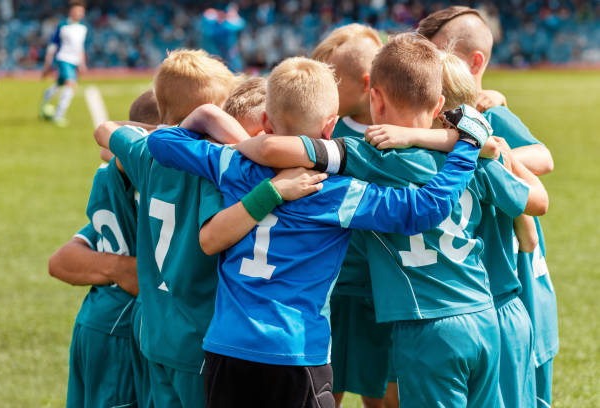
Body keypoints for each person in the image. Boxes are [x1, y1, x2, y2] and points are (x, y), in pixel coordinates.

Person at [146, 56, 487, 408]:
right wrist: (467, 146)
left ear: (265, 121)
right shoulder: (336, 192)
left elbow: (161, 142)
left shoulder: (230, 164)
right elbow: (423, 210)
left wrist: (230, 141)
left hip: (227, 348)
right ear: (331, 128)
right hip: (294, 352)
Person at [231, 34, 547, 408]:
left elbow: (280, 149)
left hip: (426, 323)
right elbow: (535, 201)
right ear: (439, 105)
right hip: (483, 315)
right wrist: (465, 141)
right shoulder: (474, 154)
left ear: (374, 99)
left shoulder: (371, 158)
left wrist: (229, 148)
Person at [93, 49, 324, 408]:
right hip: (197, 338)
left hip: (154, 332)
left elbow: (105, 130)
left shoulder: (146, 154)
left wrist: (165, 130)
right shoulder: (211, 170)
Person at [418, 8, 557, 407]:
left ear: (474, 61)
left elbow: (544, 159)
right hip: (476, 285)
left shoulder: (490, 116)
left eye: (435, 55)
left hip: (509, 276)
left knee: (518, 375)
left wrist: (481, 149)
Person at [48, 91, 160, 407]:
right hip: (122, 325)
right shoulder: (146, 186)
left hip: (102, 319)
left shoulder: (116, 179)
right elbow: (61, 261)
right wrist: (122, 268)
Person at [312, 23, 390, 408]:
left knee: (387, 396)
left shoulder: (404, 132)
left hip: (387, 290)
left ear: (366, 83)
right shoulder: (323, 135)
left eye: (331, 80)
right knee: (327, 391)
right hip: (334, 289)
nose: (321, 92)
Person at [40, 0, 87, 127]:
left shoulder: (83, 28)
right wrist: (47, 64)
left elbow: (80, 47)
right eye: (77, 10)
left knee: (59, 84)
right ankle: (58, 115)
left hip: (74, 61)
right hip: (63, 59)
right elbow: (53, 45)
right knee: (71, 84)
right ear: (70, 11)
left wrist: (82, 63)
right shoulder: (63, 26)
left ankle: (44, 103)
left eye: (81, 11)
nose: (79, 13)